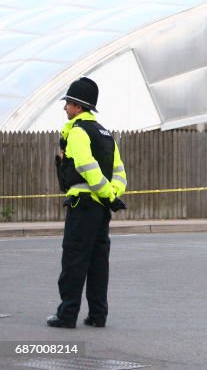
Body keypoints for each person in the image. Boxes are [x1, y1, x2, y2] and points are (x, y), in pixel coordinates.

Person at [47, 77, 128, 328]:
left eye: (68, 103)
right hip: (103, 209)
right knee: (97, 262)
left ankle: (66, 315)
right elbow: (120, 172)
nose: (65, 108)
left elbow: (86, 167)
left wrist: (105, 193)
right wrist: (112, 195)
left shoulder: (79, 132)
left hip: (82, 205)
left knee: (74, 260)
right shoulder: (106, 134)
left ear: (79, 107)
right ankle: (97, 315)